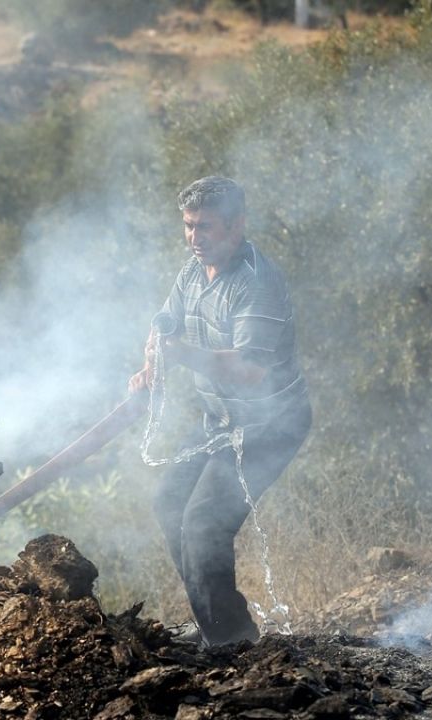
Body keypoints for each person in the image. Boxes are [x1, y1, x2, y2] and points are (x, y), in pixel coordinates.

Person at [129, 176, 312, 647]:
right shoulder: (192, 270)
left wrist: (180, 354)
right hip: (220, 421)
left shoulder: (257, 281)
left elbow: (251, 370)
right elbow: (164, 325)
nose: (195, 238)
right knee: (170, 503)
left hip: (269, 425)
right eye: (189, 227)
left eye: (205, 227)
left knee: (205, 522)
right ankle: (216, 626)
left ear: (236, 226)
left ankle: (234, 643)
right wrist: (149, 366)